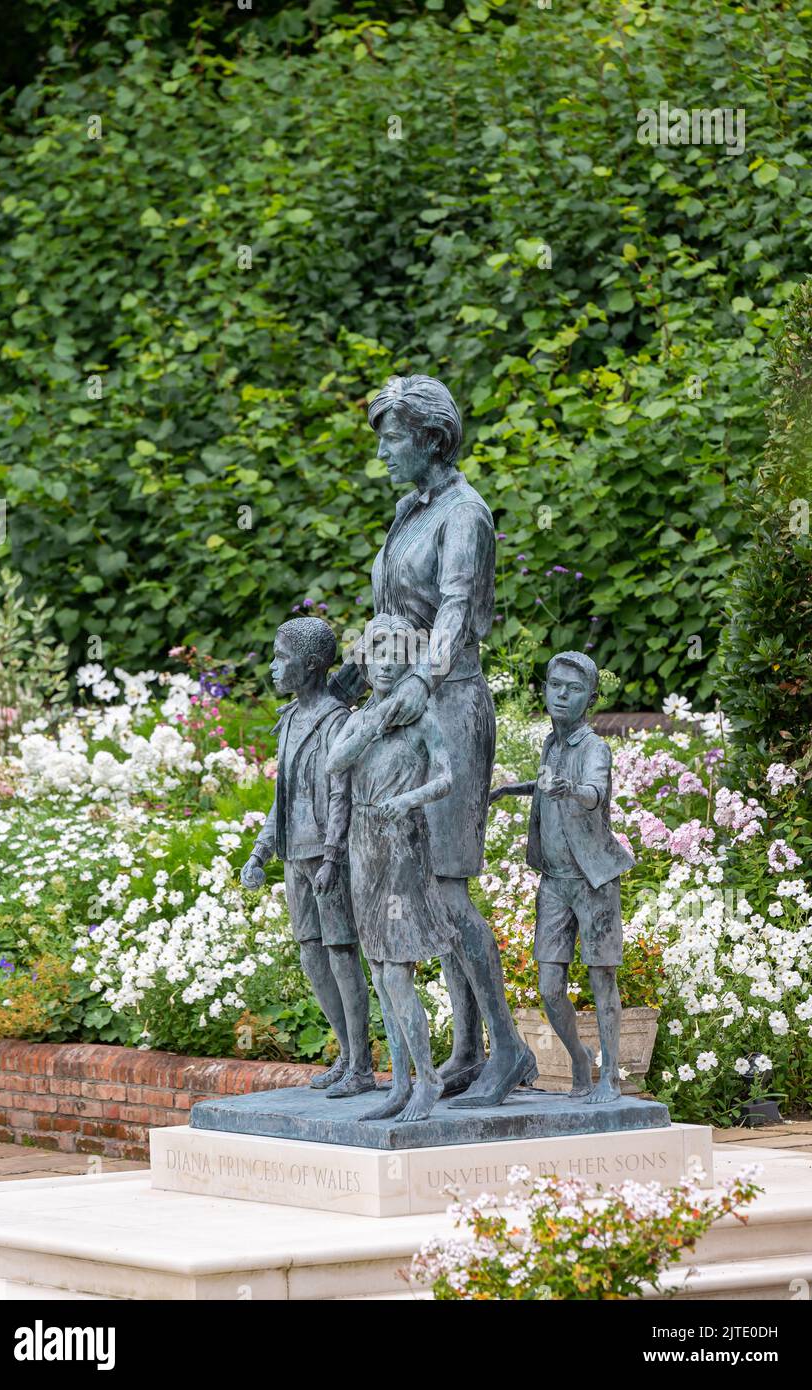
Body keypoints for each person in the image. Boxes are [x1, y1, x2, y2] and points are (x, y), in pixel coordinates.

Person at [329, 374, 535, 1107]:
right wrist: (355, 675)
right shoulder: (407, 509)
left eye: (393, 438)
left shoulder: (465, 514)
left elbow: (452, 613)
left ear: (432, 440)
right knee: (427, 887)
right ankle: (470, 1052)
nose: (383, 451)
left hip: (448, 707)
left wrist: (420, 679)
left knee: (446, 887)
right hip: (404, 703)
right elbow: (394, 613)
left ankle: (509, 1048)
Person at [326, 613, 458, 1122]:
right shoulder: (364, 718)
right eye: (376, 655)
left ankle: (428, 1079)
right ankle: (399, 1081)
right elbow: (336, 762)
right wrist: (378, 720)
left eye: (395, 655)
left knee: (397, 969)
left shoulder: (422, 716)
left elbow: (446, 778)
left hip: (402, 843)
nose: (384, 665)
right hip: (364, 845)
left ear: (408, 662)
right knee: (378, 971)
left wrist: (408, 801)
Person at [490, 651, 635, 1104]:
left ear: (590, 698)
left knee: (601, 978)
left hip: (593, 881)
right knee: (549, 986)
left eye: (572, 690)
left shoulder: (595, 748)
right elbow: (546, 783)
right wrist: (508, 789)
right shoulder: (551, 744)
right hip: (554, 881)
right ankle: (579, 1057)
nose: (561, 695)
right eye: (555, 686)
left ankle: (609, 1075)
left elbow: (595, 791)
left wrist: (571, 789)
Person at [240, 617, 375, 1098]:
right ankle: (346, 1054)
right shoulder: (291, 719)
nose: (273, 667)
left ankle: (362, 1064)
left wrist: (333, 856)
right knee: (312, 955)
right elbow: (285, 794)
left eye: (281, 658)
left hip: (325, 855)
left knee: (341, 953)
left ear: (312, 664)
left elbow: (343, 793)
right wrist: (260, 850)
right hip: (293, 852)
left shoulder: (335, 720)